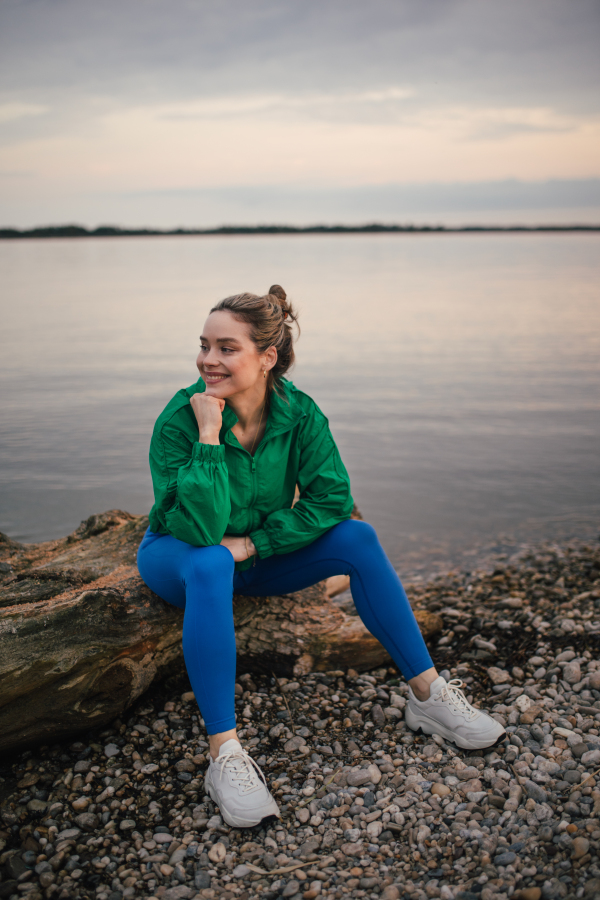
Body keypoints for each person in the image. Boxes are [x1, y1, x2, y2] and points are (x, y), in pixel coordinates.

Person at [137, 285, 505, 829]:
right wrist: (210, 435)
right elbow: (198, 529)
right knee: (211, 561)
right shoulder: (179, 420)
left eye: (226, 348)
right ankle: (225, 755)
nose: (208, 360)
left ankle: (428, 694)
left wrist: (258, 544)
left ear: (267, 358)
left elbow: (332, 500)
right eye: (204, 345)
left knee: (358, 538)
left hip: (253, 554)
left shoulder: (299, 412)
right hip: (181, 559)